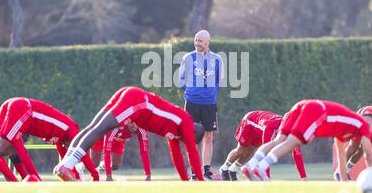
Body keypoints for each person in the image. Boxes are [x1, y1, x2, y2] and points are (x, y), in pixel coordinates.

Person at [53, 86, 205, 181]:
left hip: (134, 97)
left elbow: (176, 154)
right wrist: (200, 178)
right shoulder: (185, 120)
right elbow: (191, 150)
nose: (185, 141)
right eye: (190, 139)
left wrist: (185, 180)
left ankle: (64, 165)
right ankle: (67, 165)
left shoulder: (177, 130)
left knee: (93, 127)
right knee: (100, 129)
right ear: (193, 132)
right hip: (138, 102)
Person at [241, 99, 372, 181]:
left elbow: (342, 155)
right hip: (317, 111)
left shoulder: (346, 128)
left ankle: (249, 166)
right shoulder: (363, 124)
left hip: (302, 105)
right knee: (291, 143)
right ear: (369, 121)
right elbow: (368, 155)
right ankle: (261, 167)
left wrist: (343, 181)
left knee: (278, 141)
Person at [0, 97, 99, 181]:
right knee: (1, 150)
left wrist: (73, 174)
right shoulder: (73, 130)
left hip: (15, 104)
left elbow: (64, 159)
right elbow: (82, 153)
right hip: (23, 108)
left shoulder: (62, 138)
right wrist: (95, 176)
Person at [178, 29, 224, 180]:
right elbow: (181, 80)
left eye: (200, 41)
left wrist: (210, 94)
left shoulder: (217, 59)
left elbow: (220, 81)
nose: (197, 43)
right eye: (196, 40)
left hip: (209, 103)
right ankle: (193, 171)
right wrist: (191, 92)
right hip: (192, 102)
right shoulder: (188, 57)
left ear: (207, 43)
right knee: (191, 136)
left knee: (208, 136)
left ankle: (206, 170)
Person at [219, 111, 306, 181]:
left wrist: (303, 177)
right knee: (241, 150)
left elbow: (297, 153)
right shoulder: (271, 128)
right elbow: (265, 154)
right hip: (250, 122)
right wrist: (266, 178)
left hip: (260, 129)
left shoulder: (292, 130)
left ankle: (233, 169)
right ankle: (224, 168)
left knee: (250, 151)